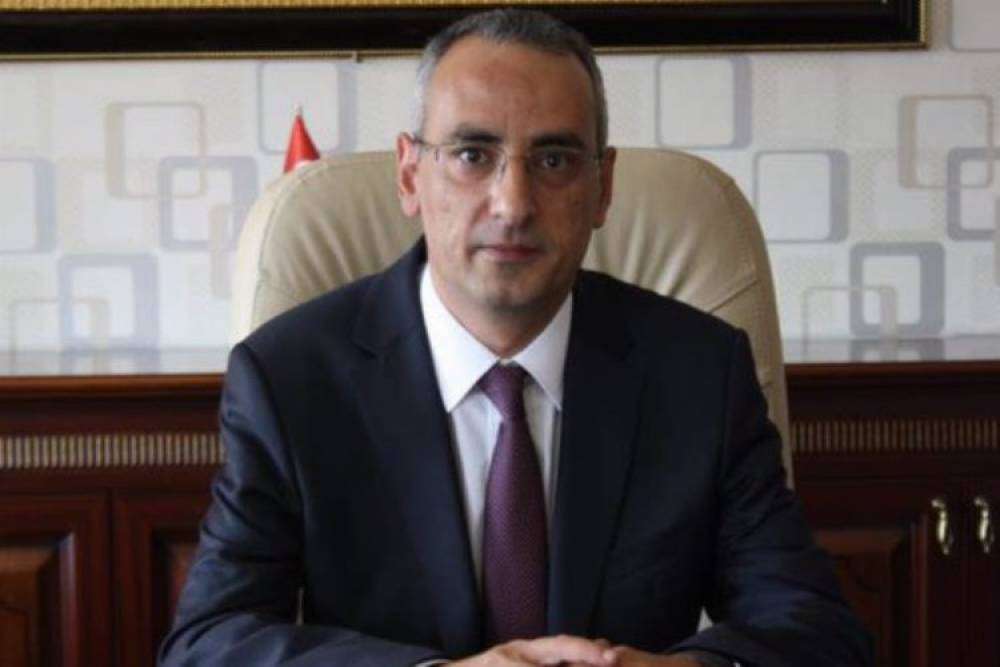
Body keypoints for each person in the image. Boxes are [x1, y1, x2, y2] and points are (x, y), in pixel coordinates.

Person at [159, 9, 871, 667]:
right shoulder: (291, 377)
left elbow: (815, 630)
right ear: (410, 175)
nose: (514, 203)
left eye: (554, 159)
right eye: (473, 154)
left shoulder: (699, 373)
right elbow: (209, 643)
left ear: (603, 187)